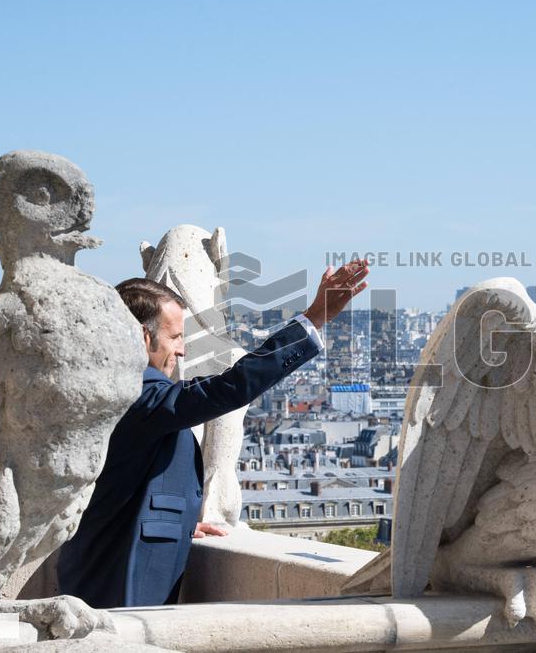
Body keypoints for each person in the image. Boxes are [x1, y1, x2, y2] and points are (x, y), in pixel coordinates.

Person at [57, 259, 370, 608]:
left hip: (96, 568)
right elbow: (229, 388)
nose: (182, 349)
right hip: (120, 579)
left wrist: (180, 521)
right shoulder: (139, 395)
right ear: (145, 339)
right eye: (175, 336)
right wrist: (313, 318)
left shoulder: (102, 391)